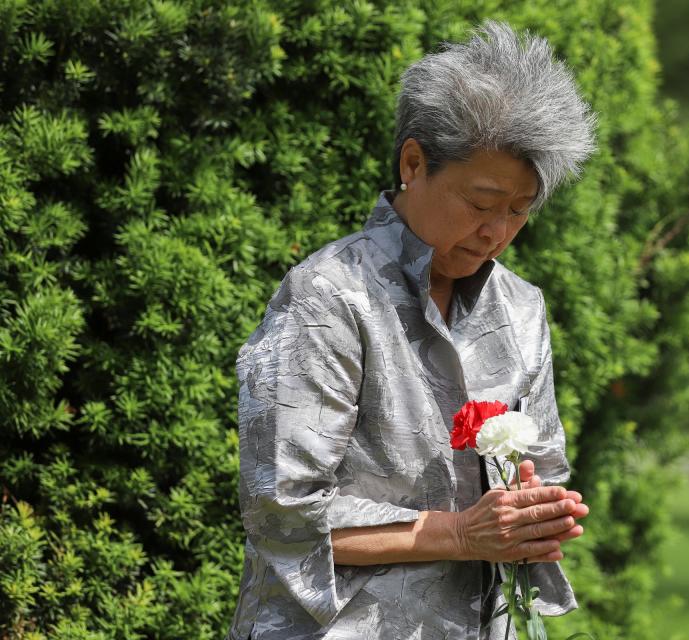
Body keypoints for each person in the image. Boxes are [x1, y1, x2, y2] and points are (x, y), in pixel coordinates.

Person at [227, 20, 596, 640]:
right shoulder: (328, 296)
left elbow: (544, 469)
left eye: (518, 211)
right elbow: (282, 515)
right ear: (413, 162)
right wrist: (456, 533)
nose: (497, 232)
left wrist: (536, 514)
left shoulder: (522, 308)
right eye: (481, 203)